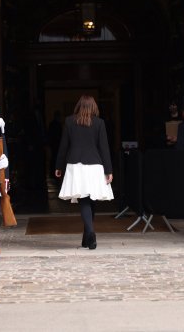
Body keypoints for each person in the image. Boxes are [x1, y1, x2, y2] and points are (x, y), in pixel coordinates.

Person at [54, 95, 113, 250]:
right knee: (90, 200)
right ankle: (89, 235)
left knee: (85, 200)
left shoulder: (69, 121)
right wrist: (109, 170)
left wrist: (59, 166)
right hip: (95, 165)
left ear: (79, 106)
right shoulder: (99, 123)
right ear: (94, 107)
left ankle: (89, 235)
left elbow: (64, 146)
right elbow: (104, 148)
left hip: (76, 165)